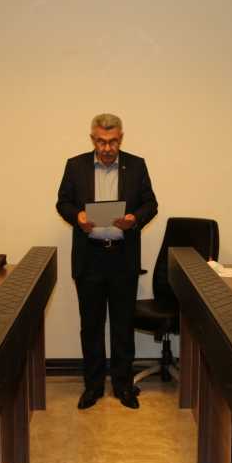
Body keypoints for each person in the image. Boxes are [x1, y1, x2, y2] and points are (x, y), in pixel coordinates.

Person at [56, 113, 158, 410]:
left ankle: (123, 386)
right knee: (91, 326)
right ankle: (93, 386)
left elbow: (151, 204)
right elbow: (63, 202)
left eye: (112, 142)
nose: (107, 148)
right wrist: (77, 216)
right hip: (89, 257)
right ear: (93, 139)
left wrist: (134, 219)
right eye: (101, 142)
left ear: (121, 139)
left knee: (123, 326)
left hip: (122, 257)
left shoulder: (136, 165)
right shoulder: (75, 166)